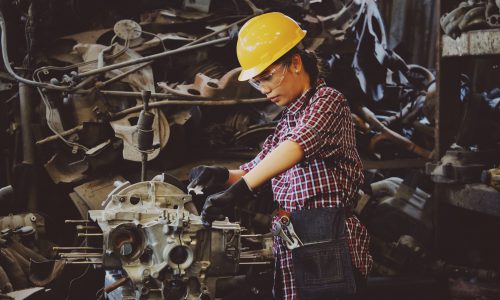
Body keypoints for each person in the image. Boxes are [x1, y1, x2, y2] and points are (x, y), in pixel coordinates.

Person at [188, 12, 372, 300]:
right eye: (258, 82)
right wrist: (220, 175)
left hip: (328, 241)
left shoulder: (329, 102)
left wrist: (238, 191)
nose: (264, 89)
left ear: (296, 63)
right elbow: (257, 168)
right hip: (296, 241)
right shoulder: (287, 120)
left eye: (268, 77)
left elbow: (295, 148)